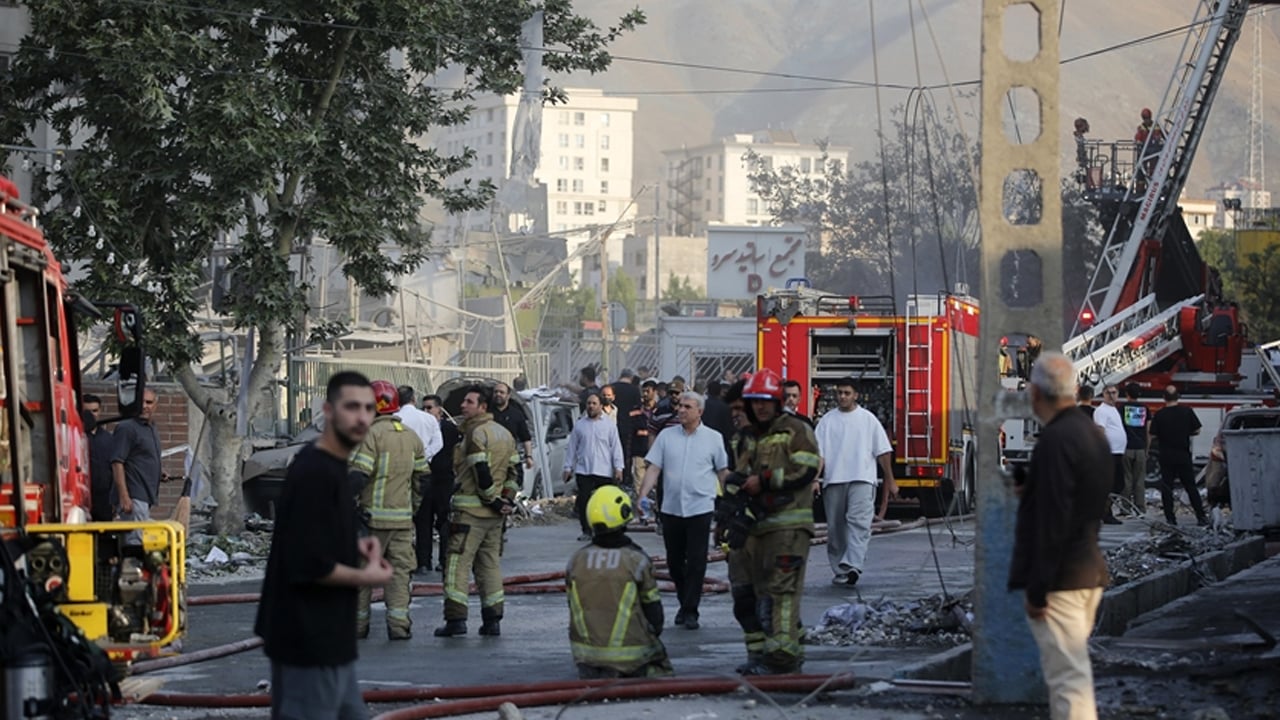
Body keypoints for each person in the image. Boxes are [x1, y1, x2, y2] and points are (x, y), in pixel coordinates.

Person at [256, 371, 394, 720]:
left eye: (368, 408)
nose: (362, 417)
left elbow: (310, 533)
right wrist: (368, 577)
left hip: (329, 637)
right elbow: (308, 563)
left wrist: (353, 544)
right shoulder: (316, 472)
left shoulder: (329, 465)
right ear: (328, 411)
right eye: (352, 407)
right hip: (308, 637)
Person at [1008, 353, 1111, 720]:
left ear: (1036, 392)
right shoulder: (1092, 434)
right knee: (1071, 675)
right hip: (1087, 569)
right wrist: (1033, 487)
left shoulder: (1054, 440)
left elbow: (1054, 521)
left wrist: (1037, 590)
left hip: (1061, 581)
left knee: (1068, 679)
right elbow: (1081, 498)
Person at [722, 368, 821, 675]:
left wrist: (764, 481)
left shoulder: (795, 429)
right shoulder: (749, 437)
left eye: (765, 400)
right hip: (759, 527)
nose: (760, 407)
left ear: (777, 401)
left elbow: (807, 468)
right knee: (756, 596)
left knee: (781, 593)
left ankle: (782, 660)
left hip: (789, 527)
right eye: (754, 401)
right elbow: (741, 476)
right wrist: (729, 512)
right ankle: (771, 654)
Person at [637, 391, 729, 630]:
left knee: (697, 561)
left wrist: (730, 501)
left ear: (700, 411)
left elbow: (722, 472)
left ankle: (690, 610)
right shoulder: (667, 437)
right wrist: (643, 495)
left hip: (700, 507)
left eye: (688, 407)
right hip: (671, 508)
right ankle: (683, 601)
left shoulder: (713, 438)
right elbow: (654, 468)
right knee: (675, 561)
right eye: (680, 406)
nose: (681, 410)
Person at [436, 385, 518, 637]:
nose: (463, 405)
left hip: (469, 515)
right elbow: (514, 474)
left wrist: (492, 500)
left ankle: (456, 620)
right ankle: (493, 620)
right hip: (494, 519)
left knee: (457, 565)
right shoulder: (505, 434)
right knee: (489, 566)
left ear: (483, 407)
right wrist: (505, 501)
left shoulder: (475, 433)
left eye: (469, 402)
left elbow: (480, 471)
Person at [350, 381, 429, 640]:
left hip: (371, 521)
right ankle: (398, 626)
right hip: (402, 522)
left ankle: (358, 627)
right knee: (399, 575)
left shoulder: (369, 435)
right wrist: (412, 507)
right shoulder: (410, 436)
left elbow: (358, 476)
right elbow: (424, 480)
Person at [566, 485, 672, 679]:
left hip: (586, 659)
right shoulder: (637, 560)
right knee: (663, 672)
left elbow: (572, 607)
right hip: (632, 657)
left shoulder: (576, 561)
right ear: (624, 513)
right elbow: (655, 615)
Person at [813, 377, 898, 586]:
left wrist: (891, 480)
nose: (842, 396)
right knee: (836, 529)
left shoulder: (868, 420)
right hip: (834, 480)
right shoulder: (827, 421)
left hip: (862, 479)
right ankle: (841, 570)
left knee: (859, 523)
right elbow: (819, 454)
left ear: (856, 396)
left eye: (847, 393)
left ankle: (853, 564)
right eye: (839, 392)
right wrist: (815, 478)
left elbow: (883, 452)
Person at [564, 392, 625, 542]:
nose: (591, 406)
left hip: (603, 471)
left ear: (600, 406)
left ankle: (603, 530)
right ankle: (586, 530)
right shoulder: (580, 425)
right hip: (584, 470)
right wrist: (567, 468)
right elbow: (572, 448)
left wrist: (619, 467)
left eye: (594, 403)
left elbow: (616, 447)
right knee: (584, 501)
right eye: (589, 403)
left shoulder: (609, 425)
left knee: (603, 503)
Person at [1149, 385, 1209, 526]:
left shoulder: (1159, 414)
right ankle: (1201, 517)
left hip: (1166, 455)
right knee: (1191, 486)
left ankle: (1170, 518)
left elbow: (1153, 434)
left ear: (1164, 398)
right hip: (1183, 454)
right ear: (1178, 397)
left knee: (1167, 487)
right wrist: (1185, 433)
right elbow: (1197, 430)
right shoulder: (1187, 411)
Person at [111, 388, 164, 544]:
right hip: (134, 495)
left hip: (145, 495)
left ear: (156, 405)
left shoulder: (151, 428)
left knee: (139, 538)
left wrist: (159, 472)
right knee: (136, 541)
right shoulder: (127, 428)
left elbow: (141, 458)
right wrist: (124, 496)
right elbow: (117, 462)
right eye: (141, 402)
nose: (144, 406)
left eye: (149, 402)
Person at [416, 394, 461, 575]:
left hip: (444, 480)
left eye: (429, 408)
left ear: (439, 411)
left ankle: (444, 560)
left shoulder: (450, 429)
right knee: (423, 521)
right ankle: (423, 561)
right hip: (425, 479)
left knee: (444, 521)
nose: (426, 411)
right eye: (424, 408)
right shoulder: (421, 427)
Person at [1092, 385, 1126, 525]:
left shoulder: (1114, 409)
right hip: (1109, 452)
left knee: (1118, 484)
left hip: (1118, 451)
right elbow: (1100, 430)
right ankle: (1105, 513)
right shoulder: (1101, 411)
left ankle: (1105, 510)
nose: (1111, 395)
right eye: (1108, 393)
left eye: (1114, 392)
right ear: (1103, 394)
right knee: (1112, 484)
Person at [1116, 384, 1149, 516]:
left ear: (1127, 394)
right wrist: (1147, 448)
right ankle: (1140, 508)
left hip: (1126, 447)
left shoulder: (1121, 408)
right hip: (1140, 448)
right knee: (1140, 480)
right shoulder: (1144, 408)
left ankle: (1125, 508)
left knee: (1126, 479)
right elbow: (1148, 430)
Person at [82, 394, 115, 522]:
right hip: (82, 497)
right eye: (87, 412)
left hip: (104, 500)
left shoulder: (109, 439)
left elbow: (114, 468)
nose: (92, 415)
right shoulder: (76, 436)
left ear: (100, 411)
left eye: (94, 411)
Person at [491, 382, 534, 474]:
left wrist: (529, 457)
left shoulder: (516, 415)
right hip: (491, 461)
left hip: (510, 460)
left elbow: (526, 438)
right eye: (496, 392)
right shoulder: (485, 413)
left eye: (501, 392)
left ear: (508, 396)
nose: (498, 394)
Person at [394, 385, 443, 464]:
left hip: (400, 462)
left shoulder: (394, 418)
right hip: (423, 463)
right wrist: (424, 456)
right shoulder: (430, 418)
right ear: (414, 399)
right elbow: (438, 443)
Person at [612, 368, 643, 489]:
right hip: (628, 427)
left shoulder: (611, 387)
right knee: (625, 453)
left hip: (611, 425)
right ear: (631, 377)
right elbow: (638, 410)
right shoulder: (634, 390)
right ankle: (624, 479)